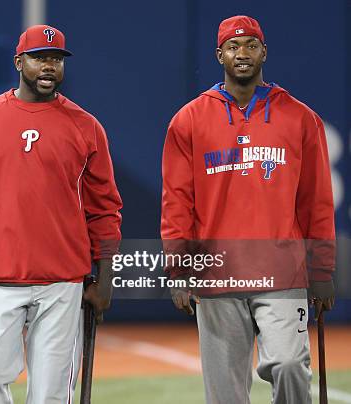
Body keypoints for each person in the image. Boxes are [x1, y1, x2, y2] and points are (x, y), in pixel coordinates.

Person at [0, 24, 122, 404]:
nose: (49, 67)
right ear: (19, 62)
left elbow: (105, 209)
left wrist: (106, 276)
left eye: (56, 60)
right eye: (39, 58)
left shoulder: (86, 127)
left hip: (63, 282)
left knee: (51, 396)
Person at [161, 15, 336, 404]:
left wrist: (322, 270)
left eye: (251, 46)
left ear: (264, 53)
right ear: (219, 55)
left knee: (290, 366)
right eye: (233, 47)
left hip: (282, 269)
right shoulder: (188, 120)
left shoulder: (300, 118)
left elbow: (317, 200)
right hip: (217, 272)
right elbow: (177, 201)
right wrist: (179, 269)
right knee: (225, 393)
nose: (242, 54)